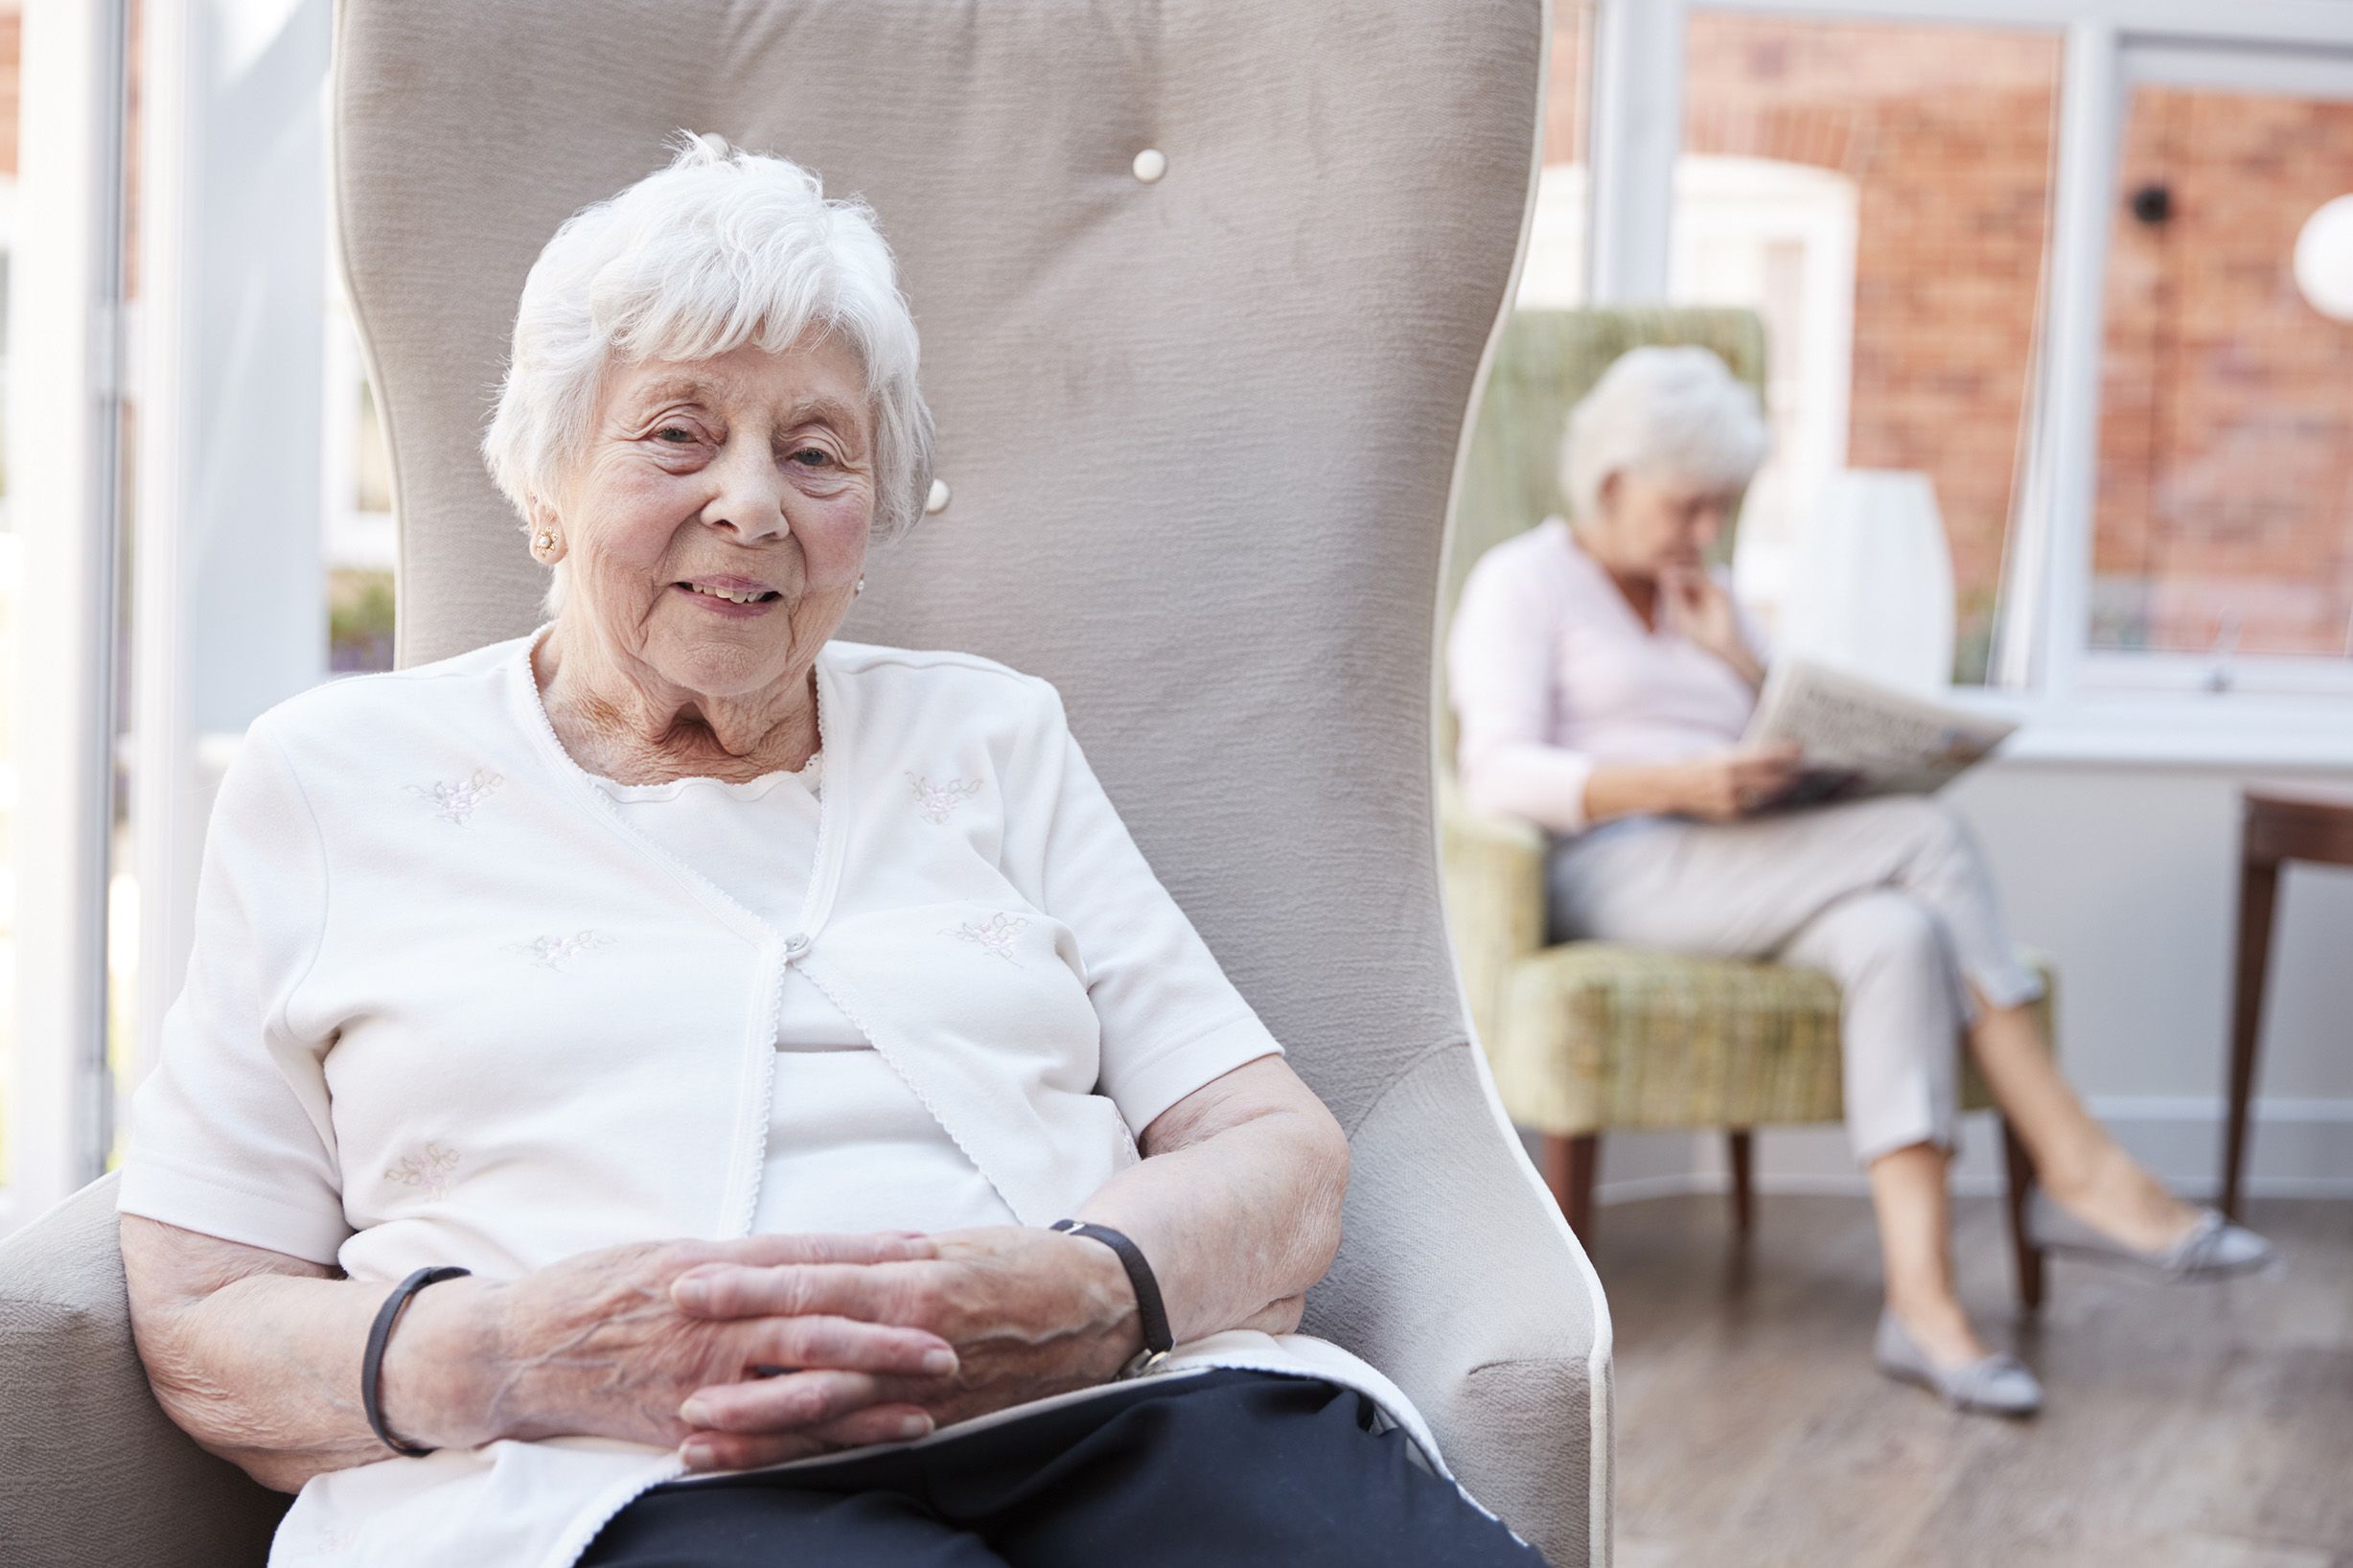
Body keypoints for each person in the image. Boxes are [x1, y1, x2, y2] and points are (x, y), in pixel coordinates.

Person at [113, 136, 1545, 1567]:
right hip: (609, 1480)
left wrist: (1093, 1292)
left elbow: (1270, 1144)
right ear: (544, 483)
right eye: (676, 433)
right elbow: (201, 1305)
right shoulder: (334, 780)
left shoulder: (990, 736)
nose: (750, 504)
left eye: (813, 453)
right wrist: (517, 1354)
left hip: (1111, 1410)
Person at [1446, 344, 2272, 1417]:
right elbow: (1493, 770)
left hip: (1745, 862)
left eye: (1721, 511)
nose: (1705, 533)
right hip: (1615, 867)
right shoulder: (1520, 581)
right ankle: (2078, 1167)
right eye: (1687, 506)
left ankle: (1923, 1308)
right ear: (1611, 480)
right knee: (1922, 837)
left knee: (1896, 935)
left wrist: (1744, 668)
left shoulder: (1712, 596)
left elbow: (1771, 736)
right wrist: (1676, 781)